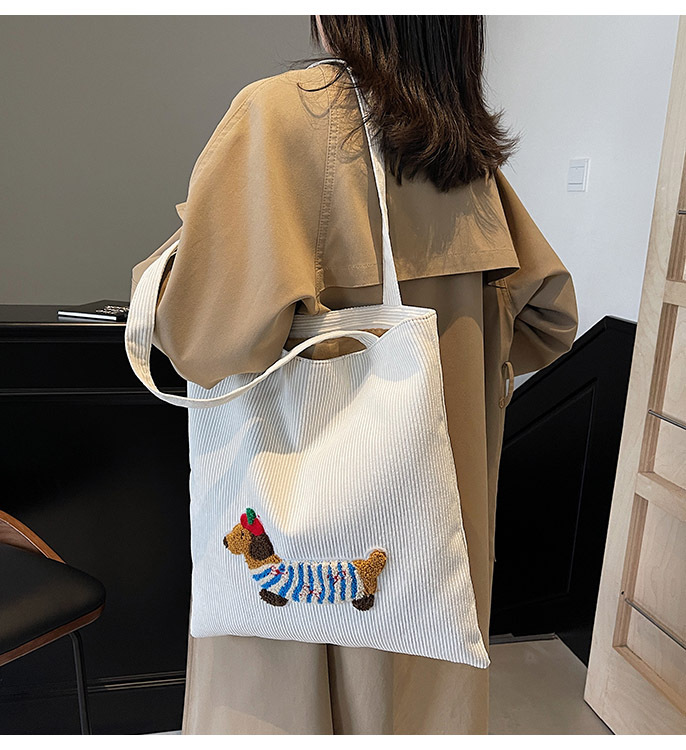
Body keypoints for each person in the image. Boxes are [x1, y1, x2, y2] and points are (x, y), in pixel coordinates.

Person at [130, 16, 578, 735]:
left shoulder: (281, 119)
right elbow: (550, 321)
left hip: (303, 583)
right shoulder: (462, 154)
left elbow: (203, 343)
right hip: (434, 558)